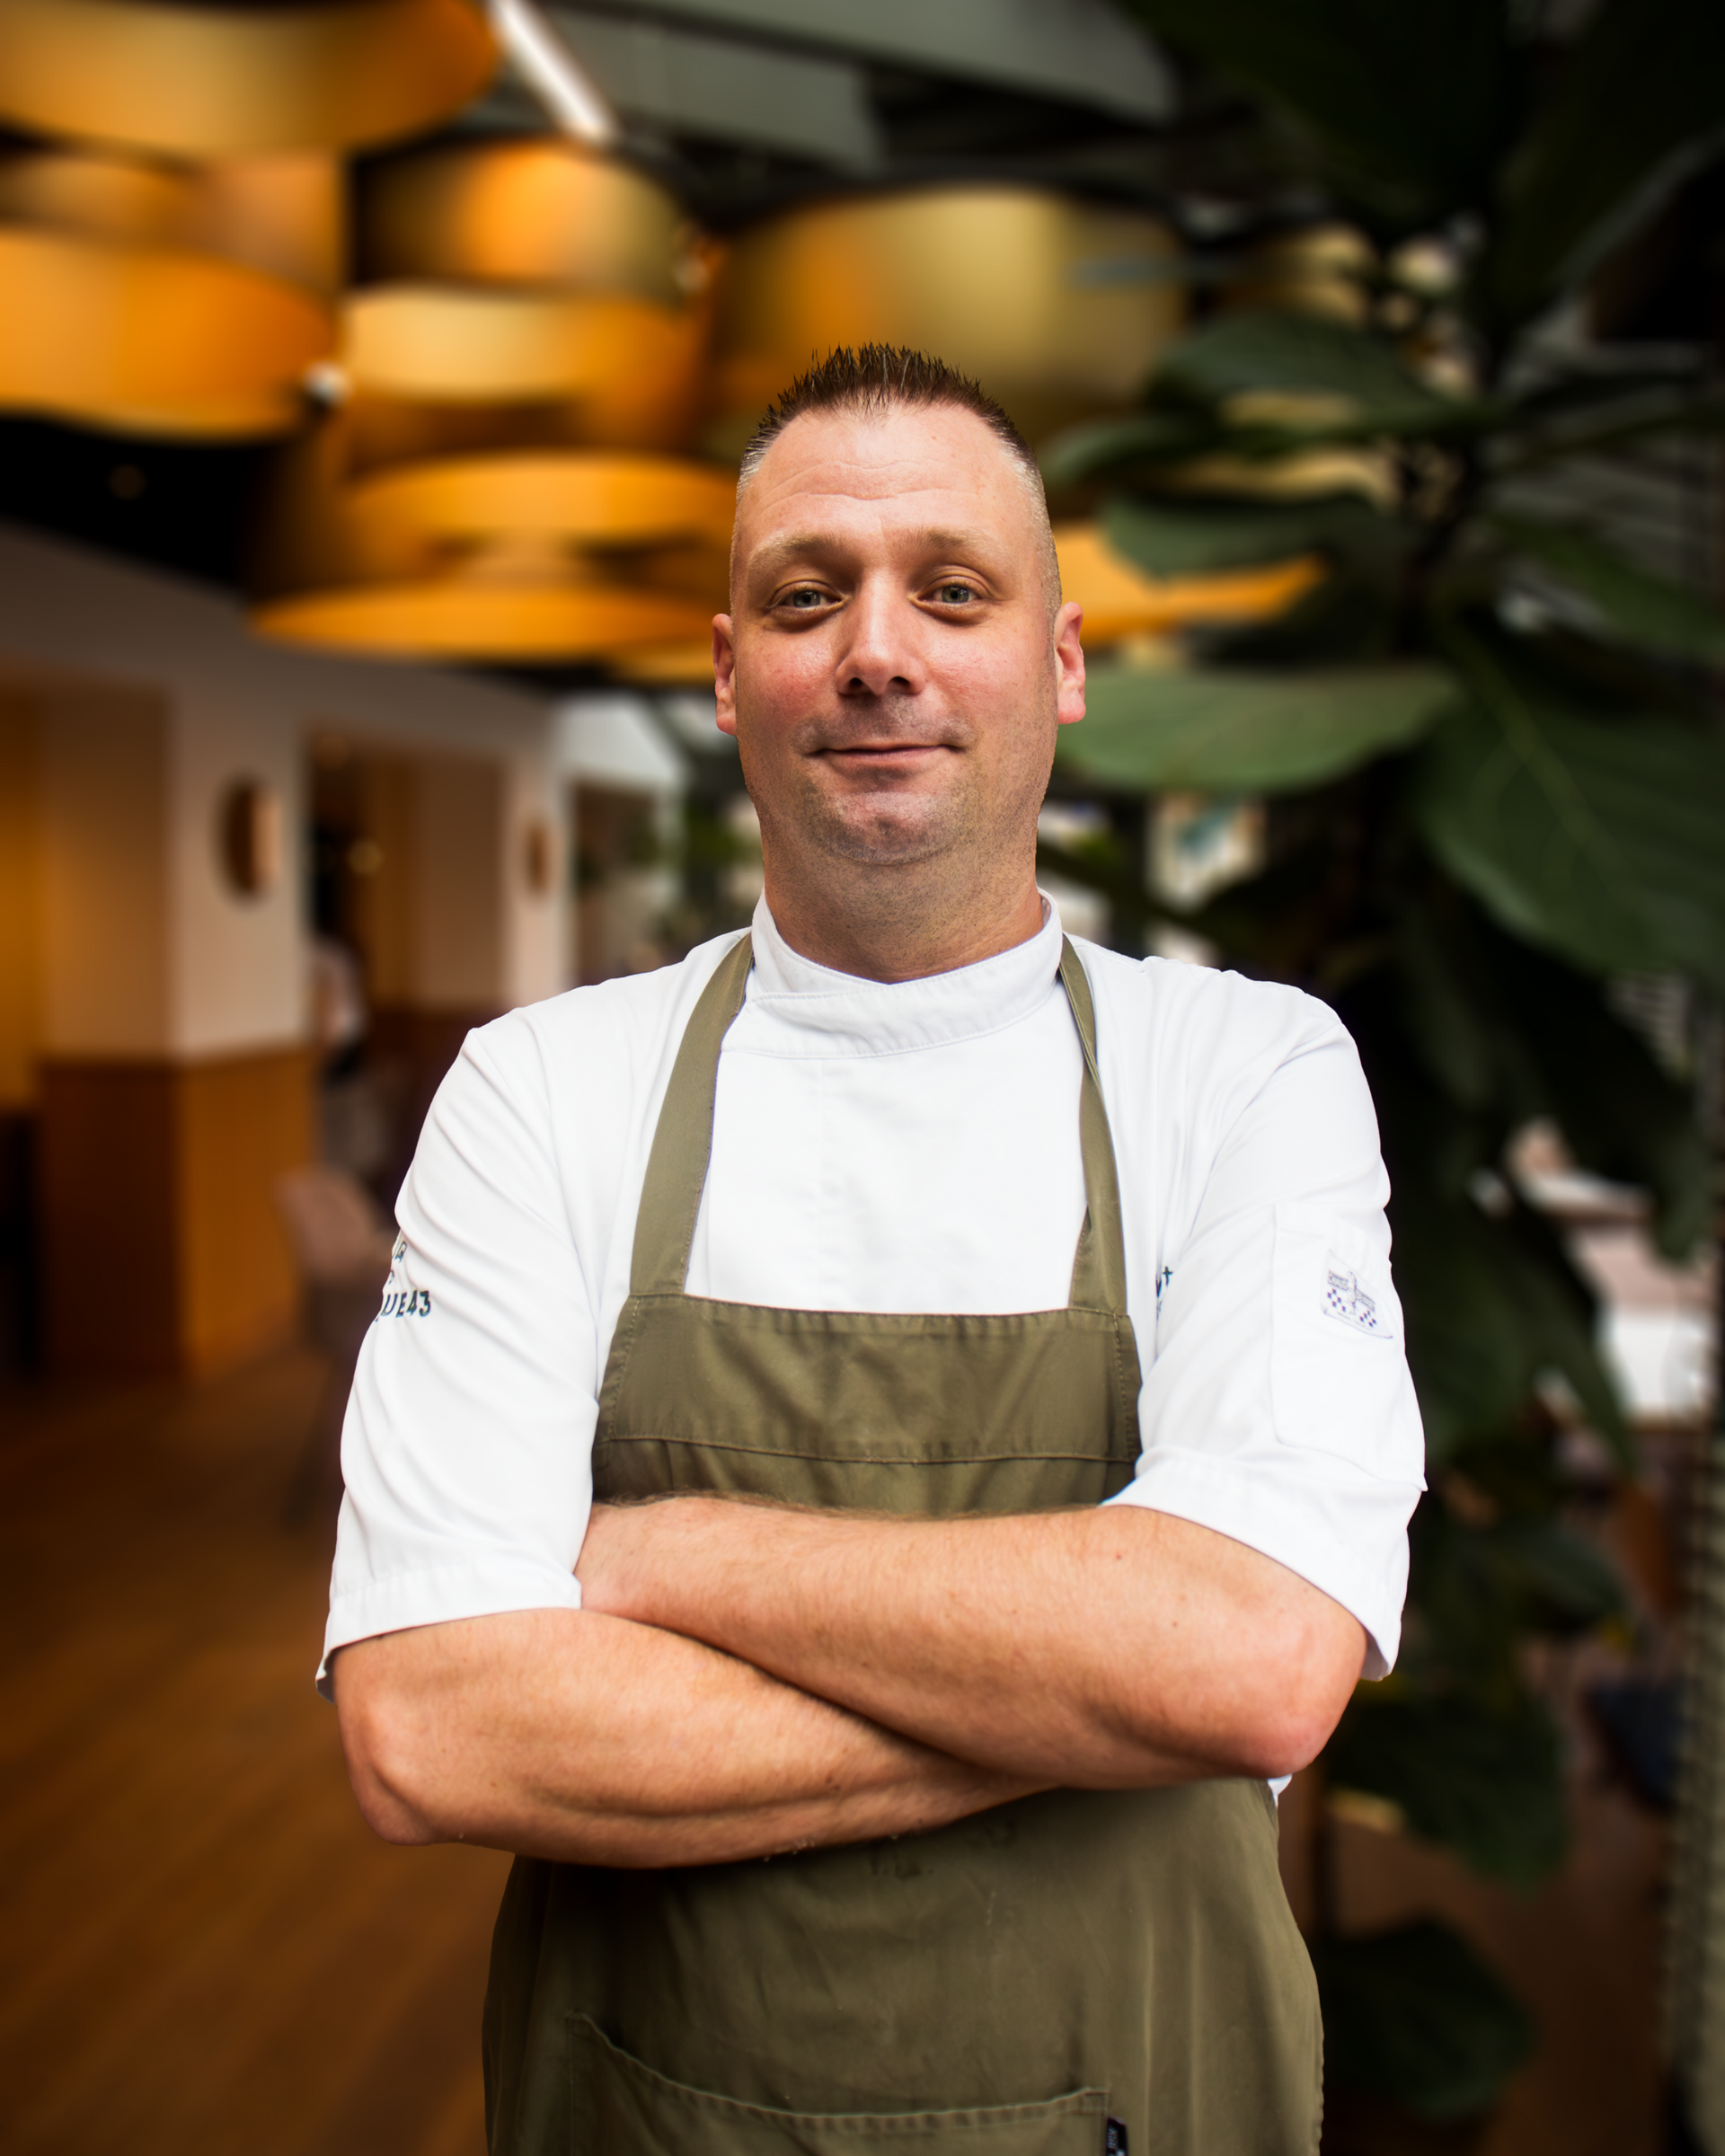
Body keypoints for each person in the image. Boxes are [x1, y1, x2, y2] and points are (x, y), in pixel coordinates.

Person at [323, 346, 1426, 2155]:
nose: (878, 651)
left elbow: (1248, 1662)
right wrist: (1095, 1693)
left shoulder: (1243, 1071)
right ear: (726, 673)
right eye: (807, 595)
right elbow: (433, 1727)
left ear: (1060, 665)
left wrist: (662, 1554)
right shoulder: (544, 1089)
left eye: (955, 589)